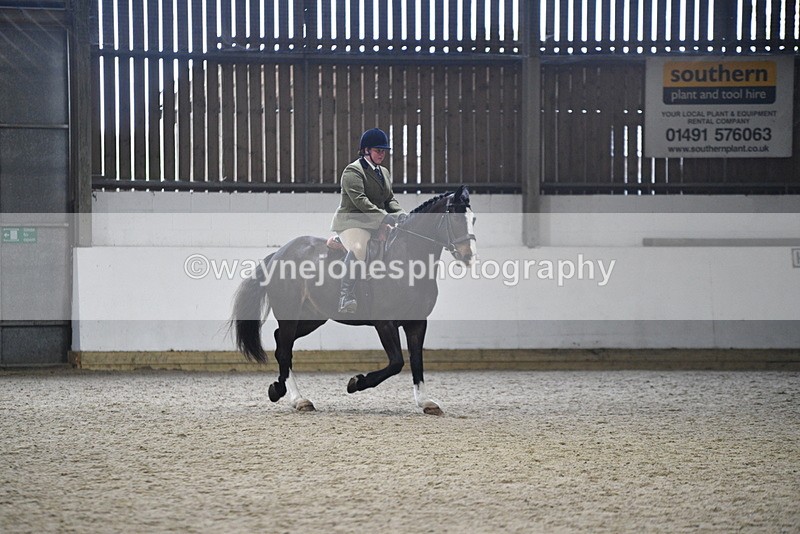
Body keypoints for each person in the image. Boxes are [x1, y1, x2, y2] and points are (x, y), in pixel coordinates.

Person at [331, 128, 406, 313]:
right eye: (378, 150)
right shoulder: (353, 171)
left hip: (375, 221)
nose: (382, 154)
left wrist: (401, 215)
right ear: (366, 150)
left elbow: (389, 199)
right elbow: (360, 201)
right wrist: (383, 217)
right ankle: (345, 295)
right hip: (352, 221)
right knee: (359, 248)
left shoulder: (384, 172)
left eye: (384, 151)